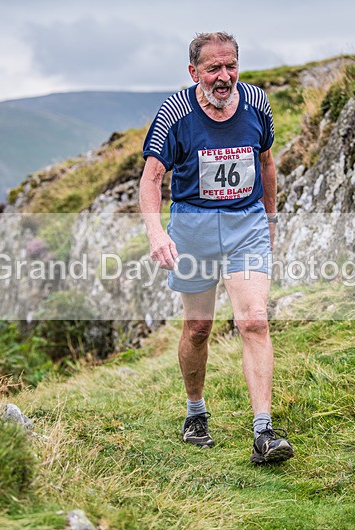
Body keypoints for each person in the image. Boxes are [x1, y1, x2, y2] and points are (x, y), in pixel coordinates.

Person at [139, 32, 294, 464]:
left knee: (254, 321)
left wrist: (271, 219)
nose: (224, 77)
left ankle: (264, 432)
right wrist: (156, 233)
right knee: (198, 328)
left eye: (231, 66)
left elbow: (266, 162)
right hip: (194, 230)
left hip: (247, 226)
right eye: (213, 69)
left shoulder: (257, 103)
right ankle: (195, 412)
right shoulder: (175, 112)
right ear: (194, 72)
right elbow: (151, 179)